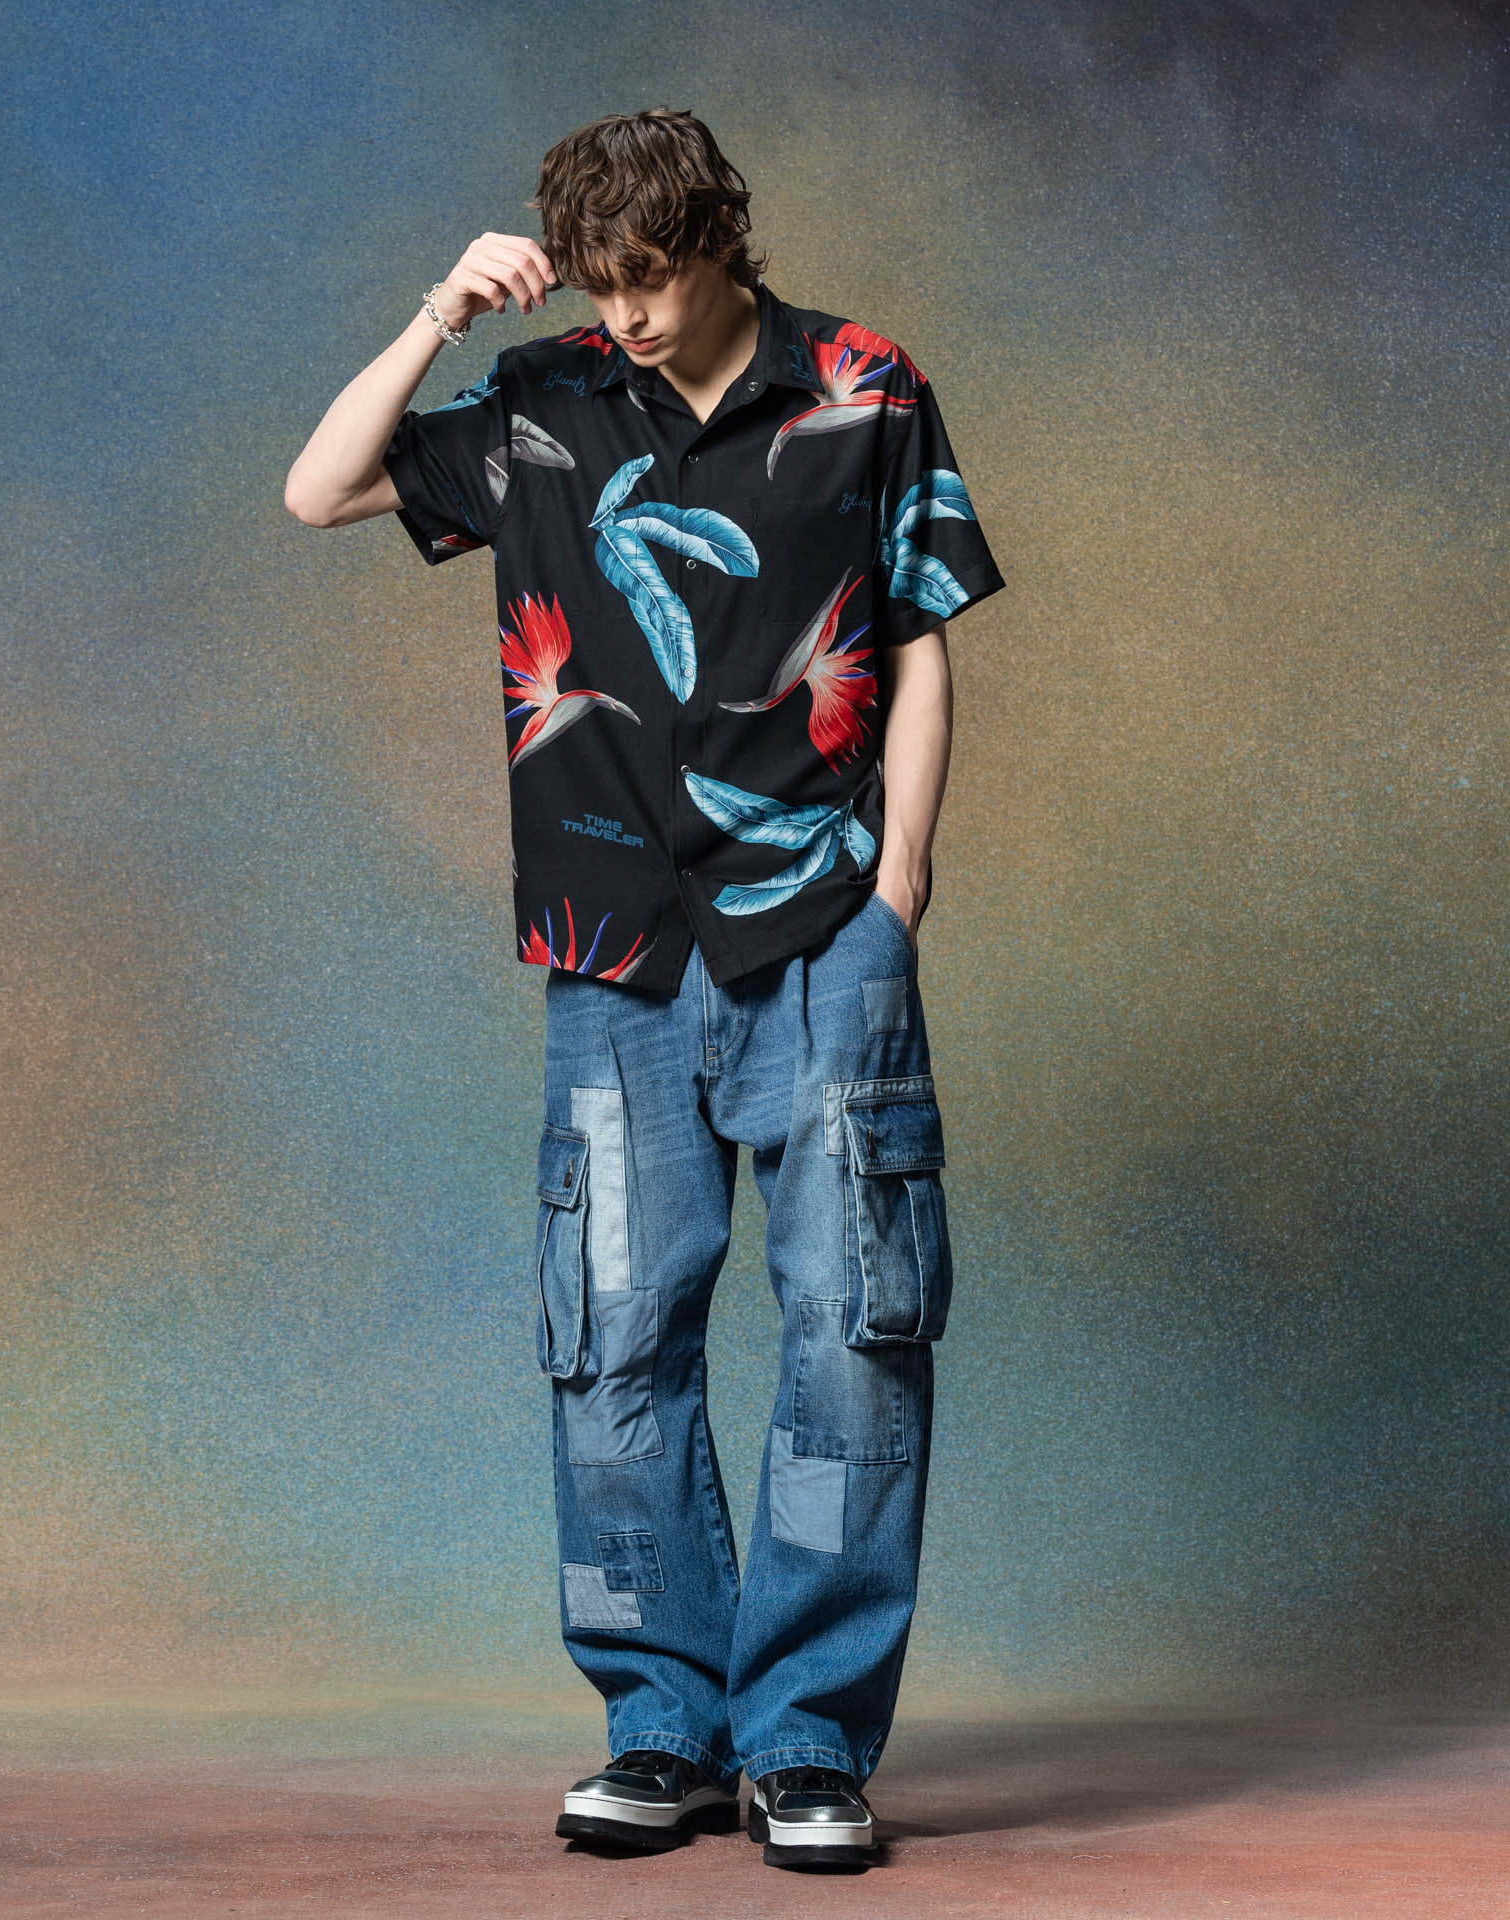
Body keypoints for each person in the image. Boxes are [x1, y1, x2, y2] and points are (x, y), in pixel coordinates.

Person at [285, 106, 1003, 1873]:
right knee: (612, 1338)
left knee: (855, 1333)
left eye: (653, 280)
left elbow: (918, 639)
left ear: (720, 240)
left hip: (821, 929)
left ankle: (809, 1742)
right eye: (601, 284)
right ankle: (663, 1725)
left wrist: (900, 885)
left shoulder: (864, 386)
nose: (626, 315)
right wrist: (441, 311)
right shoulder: (546, 400)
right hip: (611, 949)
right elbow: (321, 488)